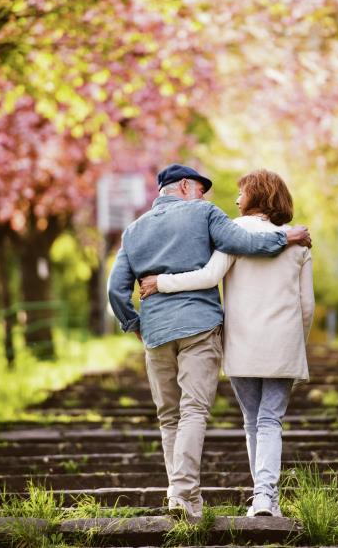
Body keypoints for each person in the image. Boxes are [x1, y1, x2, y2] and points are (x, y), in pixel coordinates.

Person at [107, 163, 312, 520]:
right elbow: (248, 249)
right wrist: (288, 237)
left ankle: (179, 495)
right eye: (202, 188)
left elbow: (116, 290)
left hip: (158, 332)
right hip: (201, 328)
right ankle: (198, 497)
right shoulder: (205, 214)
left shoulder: (133, 230)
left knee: (170, 416)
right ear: (185, 186)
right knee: (199, 412)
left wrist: (135, 324)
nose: (208, 196)